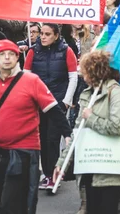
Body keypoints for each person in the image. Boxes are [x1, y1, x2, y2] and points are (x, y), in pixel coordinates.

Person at [0, 40, 71, 213]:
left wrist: (67, 134)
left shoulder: (31, 80)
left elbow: (53, 110)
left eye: (11, 54)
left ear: (18, 57)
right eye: (2, 55)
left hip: (23, 153)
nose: (7, 58)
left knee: (12, 207)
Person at [54, 50, 120, 214]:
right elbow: (77, 132)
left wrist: (91, 118)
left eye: (84, 70)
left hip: (110, 168)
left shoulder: (115, 92)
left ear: (94, 71)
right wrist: (62, 163)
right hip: (90, 164)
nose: (81, 74)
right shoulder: (86, 94)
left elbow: (117, 126)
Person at [24, 23, 78, 190]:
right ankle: (47, 173)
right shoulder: (33, 51)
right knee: (42, 140)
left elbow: (73, 77)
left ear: (56, 35)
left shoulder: (66, 50)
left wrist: (66, 101)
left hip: (57, 102)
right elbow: (26, 75)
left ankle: (52, 175)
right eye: (42, 33)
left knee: (52, 139)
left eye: (48, 34)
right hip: (38, 104)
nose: (43, 37)